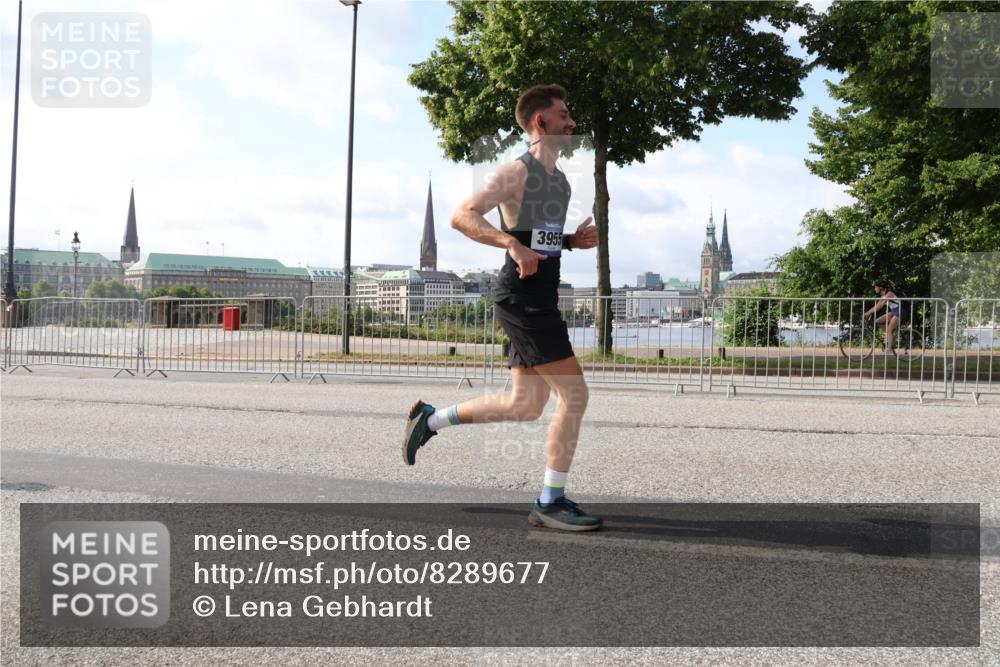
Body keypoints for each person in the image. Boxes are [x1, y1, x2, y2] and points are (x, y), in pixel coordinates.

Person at [402, 84, 602, 531]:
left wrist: (571, 241)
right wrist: (509, 242)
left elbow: (539, 236)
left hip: (540, 296)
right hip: (523, 298)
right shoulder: (517, 171)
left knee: (525, 405)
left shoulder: (561, 180)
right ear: (540, 123)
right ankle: (550, 501)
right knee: (574, 394)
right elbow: (462, 214)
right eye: (564, 115)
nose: (572, 123)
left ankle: (430, 420)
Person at [863, 279, 908, 355]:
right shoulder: (883, 296)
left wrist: (868, 313)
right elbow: (876, 306)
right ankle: (890, 338)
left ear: (880, 288)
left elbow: (880, 306)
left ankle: (889, 350)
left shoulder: (889, 294)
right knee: (878, 321)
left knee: (889, 329)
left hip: (900, 310)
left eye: (875, 287)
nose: (874, 289)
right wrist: (867, 313)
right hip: (894, 311)